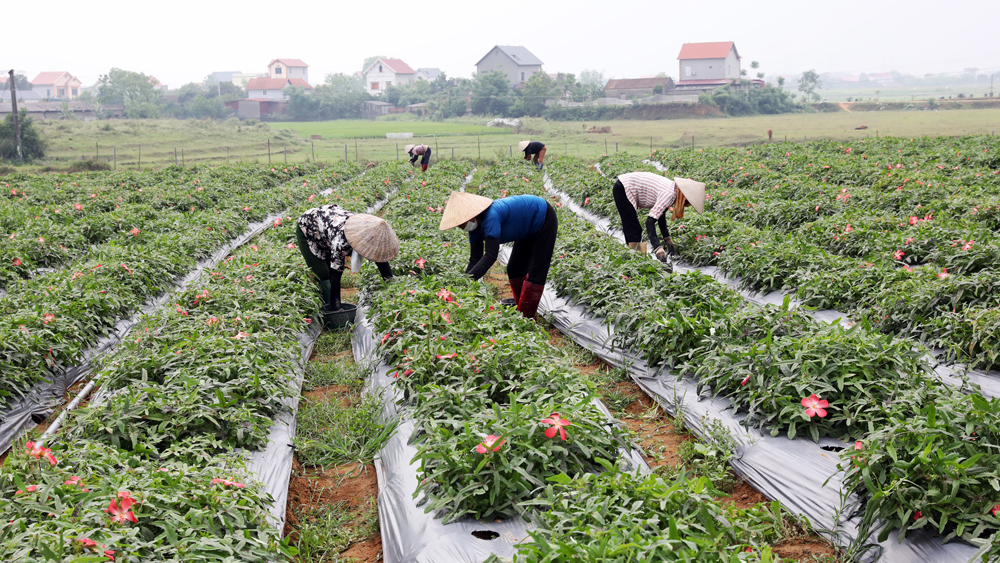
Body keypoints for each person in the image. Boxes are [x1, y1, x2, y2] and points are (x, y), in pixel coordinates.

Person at [439, 191, 557, 319]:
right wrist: (465, 282)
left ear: (471, 215)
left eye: (463, 223)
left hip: (543, 217)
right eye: (460, 225)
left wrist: (469, 279)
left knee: (537, 273)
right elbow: (475, 259)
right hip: (526, 229)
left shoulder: (491, 217)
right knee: (515, 269)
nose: (463, 227)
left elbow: (490, 255)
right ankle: (521, 308)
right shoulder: (474, 228)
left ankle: (527, 318)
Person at [296, 205, 399, 324]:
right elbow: (336, 275)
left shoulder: (371, 234)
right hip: (308, 227)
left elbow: (381, 262)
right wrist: (336, 308)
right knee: (323, 272)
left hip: (327, 227)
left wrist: (391, 288)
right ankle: (327, 314)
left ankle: (329, 305)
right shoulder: (342, 241)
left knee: (329, 268)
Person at [612, 172, 705, 266]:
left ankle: (635, 260)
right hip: (624, 188)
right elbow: (649, 222)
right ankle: (635, 262)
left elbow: (661, 215)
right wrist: (658, 248)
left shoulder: (673, 190)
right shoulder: (669, 194)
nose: (686, 205)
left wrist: (667, 238)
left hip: (626, 185)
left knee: (633, 228)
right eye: (687, 203)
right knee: (633, 229)